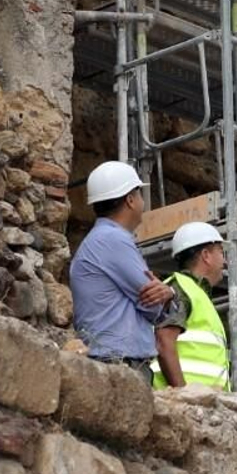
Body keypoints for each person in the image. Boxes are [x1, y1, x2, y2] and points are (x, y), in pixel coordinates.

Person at [69, 160, 173, 384]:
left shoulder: (102, 239)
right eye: (139, 193)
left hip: (113, 360)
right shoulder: (112, 239)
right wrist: (166, 296)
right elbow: (152, 303)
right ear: (130, 200)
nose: (142, 201)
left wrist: (166, 295)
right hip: (117, 363)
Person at [153, 221, 233, 390]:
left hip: (203, 405)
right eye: (220, 252)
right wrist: (183, 394)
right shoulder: (180, 288)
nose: (224, 261)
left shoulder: (196, 294)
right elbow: (164, 341)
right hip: (183, 404)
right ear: (206, 255)